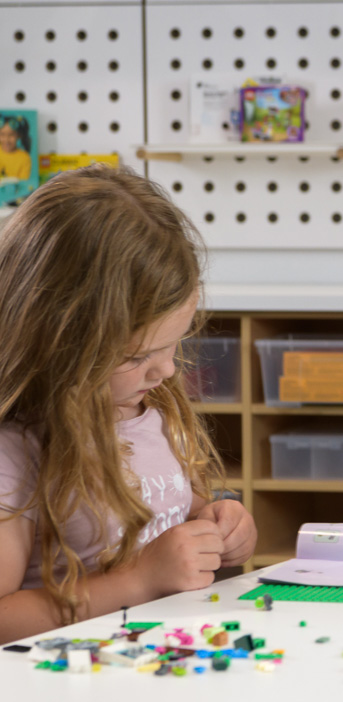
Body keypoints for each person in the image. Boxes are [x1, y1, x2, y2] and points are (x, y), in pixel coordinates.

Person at [0, 165, 256, 644]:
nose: (168, 371)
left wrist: (215, 521)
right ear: (56, 340)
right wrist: (137, 581)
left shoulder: (148, 409)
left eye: (173, 345)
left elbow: (165, 507)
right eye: (137, 356)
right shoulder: (16, 452)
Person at [0, 115, 32, 182]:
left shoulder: (24, 157)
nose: (6, 140)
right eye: (2, 134)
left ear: (19, 135)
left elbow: (23, 183)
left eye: (11, 135)